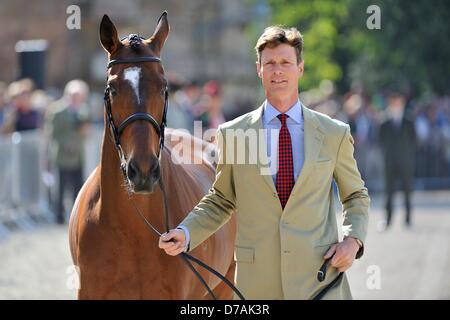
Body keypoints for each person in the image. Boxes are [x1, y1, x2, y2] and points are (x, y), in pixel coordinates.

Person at [158, 26, 370, 299]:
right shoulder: (233, 134)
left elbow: (356, 195)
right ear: (259, 69)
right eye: (270, 63)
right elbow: (221, 200)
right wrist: (186, 233)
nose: (277, 70)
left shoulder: (334, 133)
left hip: (320, 281)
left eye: (285, 63)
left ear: (300, 68)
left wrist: (353, 241)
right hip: (255, 288)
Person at [45, 80, 90, 224]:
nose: (78, 98)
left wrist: (84, 132)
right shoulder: (57, 110)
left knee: (78, 188)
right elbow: (53, 133)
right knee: (61, 188)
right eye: (75, 95)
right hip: (62, 156)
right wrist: (66, 143)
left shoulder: (83, 110)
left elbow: (86, 131)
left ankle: (76, 216)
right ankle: (59, 217)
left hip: (78, 156)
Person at [379, 92, 417, 230]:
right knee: (389, 191)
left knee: (407, 190)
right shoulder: (384, 121)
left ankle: (408, 219)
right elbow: (381, 140)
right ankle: (388, 219)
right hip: (390, 161)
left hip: (405, 161)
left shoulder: (408, 120)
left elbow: (414, 140)